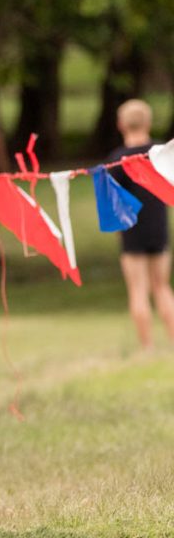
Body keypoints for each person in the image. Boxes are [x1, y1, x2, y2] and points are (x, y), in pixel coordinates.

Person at [107, 99, 174, 350]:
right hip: (158, 225)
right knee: (162, 286)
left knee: (138, 290)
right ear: (148, 122)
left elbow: (113, 202)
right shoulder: (160, 154)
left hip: (130, 228)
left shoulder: (116, 160)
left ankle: (147, 346)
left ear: (120, 125)